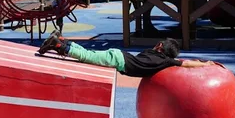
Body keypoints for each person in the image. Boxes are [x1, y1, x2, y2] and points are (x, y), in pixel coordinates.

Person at [38, 35, 212, 77]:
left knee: (89, 54)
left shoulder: (153, 54)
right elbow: (187, 63)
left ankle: (63, 40)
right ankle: (59, 45)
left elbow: (186, 63)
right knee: (86, 57)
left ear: (159, 46)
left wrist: (205, 63)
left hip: (119, 55)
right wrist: (207, 64)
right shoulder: (167, 60)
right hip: (119, 60)